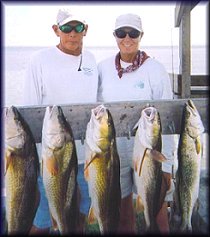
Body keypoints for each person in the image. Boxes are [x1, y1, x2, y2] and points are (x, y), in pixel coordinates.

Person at [97, 13, 175, 234]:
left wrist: (167, 165)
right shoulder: (102, 68)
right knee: (123, 215)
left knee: (158, 211)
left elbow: (167, 120)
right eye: (121, 33)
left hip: (150, 154)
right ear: (115, 36)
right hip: (115, 153)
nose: (127, 38)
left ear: (141, 36)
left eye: (133, 33)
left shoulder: (156, 69)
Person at [23, 8, 98, 234]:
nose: (72, 33)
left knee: (82, 212)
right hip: (52, 158)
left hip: (87, 155)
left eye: (78, 27)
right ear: (56, 30)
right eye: (66, 28)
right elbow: (30, 110)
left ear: (86, 31)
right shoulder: (39, 60)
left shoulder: (92, 59)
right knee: (44, 217)